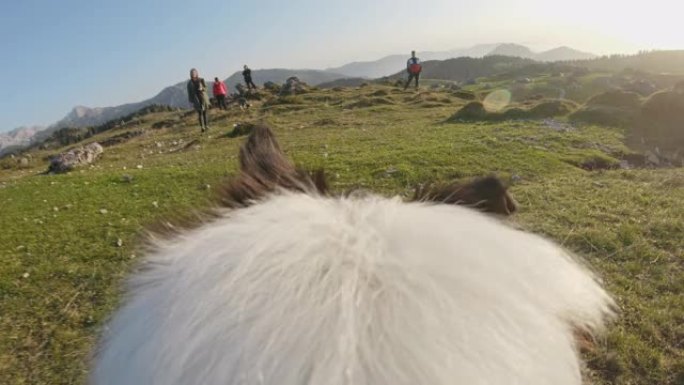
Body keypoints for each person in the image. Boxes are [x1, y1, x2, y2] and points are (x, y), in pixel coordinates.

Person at [187, 68, 210, 132]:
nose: (193, 74)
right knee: (200, 113)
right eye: (192, 73)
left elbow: (206, 87)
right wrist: (191, 101)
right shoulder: (189, 83)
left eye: (194, 72)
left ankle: (206, 125)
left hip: (203, 97)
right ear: (190, 74)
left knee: (205, 112)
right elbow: (189, 92)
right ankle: (202, 127)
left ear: (196, 73)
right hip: (196, 99)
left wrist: (202, 88)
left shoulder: (201, 79)